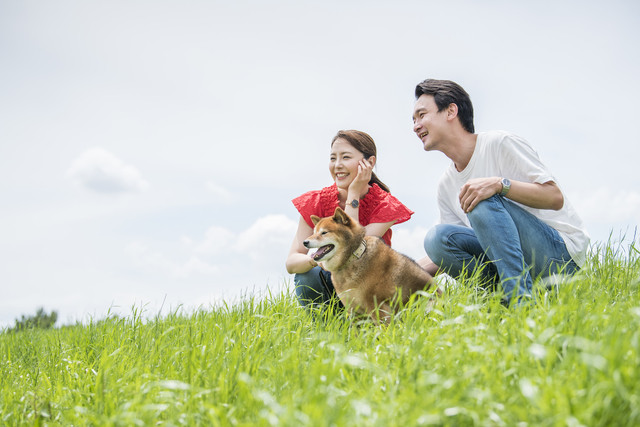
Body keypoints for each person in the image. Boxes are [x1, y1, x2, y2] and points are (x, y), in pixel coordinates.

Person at [412, 79, 590, 306]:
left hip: (559, 260)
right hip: (514, 266)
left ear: (451, 111)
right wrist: (396, 272)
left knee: (481, 200)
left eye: (422, 115)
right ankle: (500, 299)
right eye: (414, 120)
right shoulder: (446, 184)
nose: (416, 126)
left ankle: (520, 301)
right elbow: (446, 248)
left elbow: (554, 198)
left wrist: (500, 185)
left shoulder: (499, 143)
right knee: (436, 239)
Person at [286, 130, 414, 308]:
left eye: (345, 157)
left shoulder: (384, 204)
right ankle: (327, 331)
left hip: (372, 293)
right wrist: (316, 260)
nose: (337, 165)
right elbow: (291, 262)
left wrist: (353, 193)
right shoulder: (315, 202)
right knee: (308, 274)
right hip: (331, 287)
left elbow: (354, 251)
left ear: (369, 163)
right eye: (333, 158)